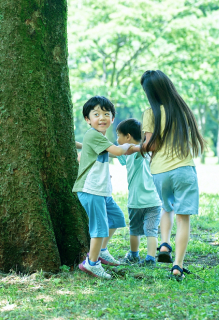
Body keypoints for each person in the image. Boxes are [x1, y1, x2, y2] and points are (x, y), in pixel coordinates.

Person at [137, 70, 204, 281]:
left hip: (160, 172)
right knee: (183, 219)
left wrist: (136, 147)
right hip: (184, 169)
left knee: (167, 207)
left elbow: (152, 144)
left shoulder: (151, 113)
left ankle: (164, 243)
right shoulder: (181, 110)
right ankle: (178, 265)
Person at [73, 96, 133, 280]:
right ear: (87, 119)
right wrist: (129, 145)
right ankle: (91, 263)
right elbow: (116, 151)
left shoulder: (99, 138)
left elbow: (112, 153)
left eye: (106, 114)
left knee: (116, 217)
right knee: (99, 228)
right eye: (96, 114)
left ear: (112, 119)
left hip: (101, 190)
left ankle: (102, 251)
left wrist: (134, 149)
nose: (102, 118)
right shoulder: (93, 135)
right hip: (91, 190)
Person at [115, 119, 162, 266]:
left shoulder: (136, 152)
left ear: (127, 137)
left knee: (134, 230)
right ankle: (150, 258)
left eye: (118, 135)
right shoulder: (141, 152)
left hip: (136, 201)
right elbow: (113, 153)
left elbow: (135, 149)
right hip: (154, 201)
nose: (117, 139)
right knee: (151, 231)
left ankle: (134, 255)